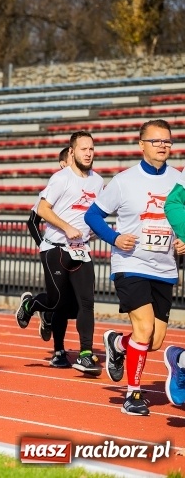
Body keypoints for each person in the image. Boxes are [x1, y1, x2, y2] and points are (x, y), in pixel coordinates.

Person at [86, 119, 185, 416]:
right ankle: (134, 395)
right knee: (143, 328)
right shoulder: (124, 181)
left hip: (165, 267)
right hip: (131, 264)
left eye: (167, 141)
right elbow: (92, 217)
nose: (163, 146)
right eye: (156, 141)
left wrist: (183, 239)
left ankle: (118, 343)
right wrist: (115, 238)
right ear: (141, 145)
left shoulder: (179, 181)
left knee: (154, 341)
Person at [15, 131, 102, 374]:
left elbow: (97, 214)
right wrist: (66, 228)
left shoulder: (97, 181)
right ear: (72, 152)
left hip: (81, 250)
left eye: (92, 149)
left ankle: (86, 353)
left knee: (86, 303)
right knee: (57, 302)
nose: (88, 153)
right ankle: (32, 305)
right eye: (83, 149)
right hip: (55, 249)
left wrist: (102, 233)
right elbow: (42, 209)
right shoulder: (61, 178)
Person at [23, 146, 73, 348]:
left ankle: (47, 314)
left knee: (72, 301)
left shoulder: (89, 183)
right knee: (59, 297)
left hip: (78, 251)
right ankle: (59, 349)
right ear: (63, 163)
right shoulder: (54, 186)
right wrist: (44, 246)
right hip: (55, 250)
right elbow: (32, 220)